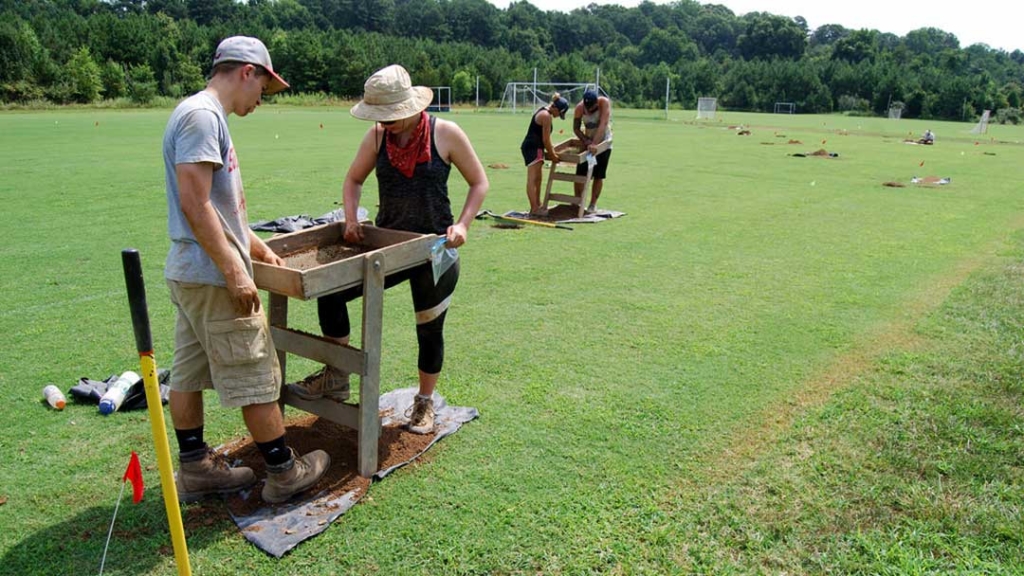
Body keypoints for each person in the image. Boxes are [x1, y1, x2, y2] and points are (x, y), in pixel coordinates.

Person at [162, 35, 329, 504]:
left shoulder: (202, 114)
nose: (262, 100)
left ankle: (196, 468)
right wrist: (237, 271)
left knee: (188, 374)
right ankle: (284, 472)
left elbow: (220, 206)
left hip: (191, 273)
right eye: (264, 89)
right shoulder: (201, 117)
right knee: (256, 371)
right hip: (213, 276)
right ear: (247, 72)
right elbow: (195, 202)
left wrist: (256, 246)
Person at [290, 64, 488, 435]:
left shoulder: (445, 134)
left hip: (434, 250)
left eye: (390, 116)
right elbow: (353, 180)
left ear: (410, 106)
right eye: (379, 116)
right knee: (329, 293)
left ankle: (425, 403)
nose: (384, 122)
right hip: (387, 247)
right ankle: (337, 374)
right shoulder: (378, 138)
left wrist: (462, 224)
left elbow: (479, 182)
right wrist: (350, 219)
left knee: (429, 329)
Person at [520, 93, 569, 216]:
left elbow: (546, 140)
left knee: (538, 179)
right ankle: (534, 208)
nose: (558, 116)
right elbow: (546, 140)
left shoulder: (545, 112)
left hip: (538, 148)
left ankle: (538, 205)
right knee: (532, 179)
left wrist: (552, 150)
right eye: (560, 114)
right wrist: (553, 156)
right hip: (532, 148)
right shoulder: (546, 116)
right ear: (556, 109)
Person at [572, 88, 613, 213]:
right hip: (588, 144)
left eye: (593, 108)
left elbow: (603, 124)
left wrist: (595, 144)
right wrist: (586, 141)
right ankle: (577, 202)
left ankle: (592, 204)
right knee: (580, 174)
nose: (590, 111)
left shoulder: (604, 103)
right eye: (588, 108)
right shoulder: (579, 109)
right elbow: (576, 128)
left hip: (603, 144)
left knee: (598, 175)